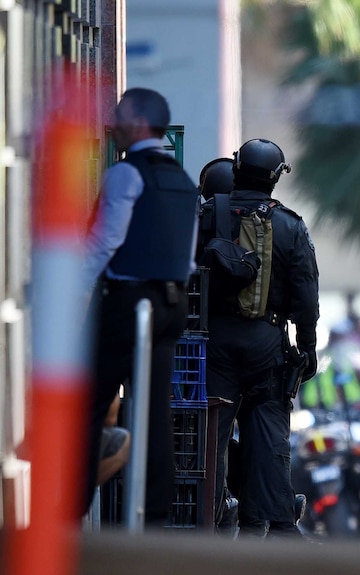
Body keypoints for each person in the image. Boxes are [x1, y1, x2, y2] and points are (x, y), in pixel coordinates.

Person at [82, 87, 200, 524]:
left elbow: (106, 239)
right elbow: (185, 257)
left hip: (129, 302)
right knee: (153, 412)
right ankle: (153, 515)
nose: (112, 125)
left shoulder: (126, 174)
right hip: (170, 305)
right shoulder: (182, 181)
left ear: (137, 123)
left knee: (89, 402)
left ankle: (69, 504)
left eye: (118, 118)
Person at [199, 138, 319, 538]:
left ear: (236, 169)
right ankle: (269, 526)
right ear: (275, 178)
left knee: (211, 435)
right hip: (267, 341)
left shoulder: (207, 214)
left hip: (213, 340)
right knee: (267, 434)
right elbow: (306, 294)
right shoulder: (289, 224)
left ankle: (208, 522)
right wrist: (307, 346)